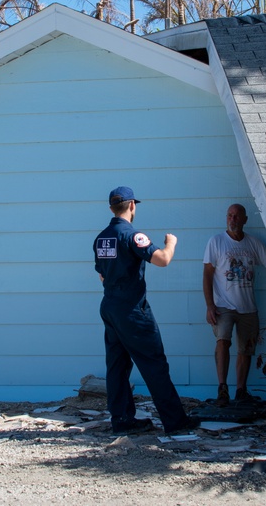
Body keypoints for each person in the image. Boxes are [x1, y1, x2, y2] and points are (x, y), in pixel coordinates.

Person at [93, 186, 193, 435]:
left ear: (111, 208)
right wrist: (171, 244)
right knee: (154, 363)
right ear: (132, 206)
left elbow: (102, 277)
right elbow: (162, 259)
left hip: (110, 307)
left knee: (117, 366)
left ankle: (122, 420)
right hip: (132, 311)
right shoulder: (132, 235)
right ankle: (175, 421)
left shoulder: (101, 238)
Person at [203, 203, 266, 406]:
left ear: (244, 220)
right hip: (223, 305)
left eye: (236, 216)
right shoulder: (216, 242)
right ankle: (222, 389)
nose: (232, 220)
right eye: (229, 215)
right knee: (222, 340)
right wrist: (209, 305)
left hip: (248, 307)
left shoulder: (253, 244)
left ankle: (241, 391)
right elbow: (207, 275)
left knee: (246, 349)